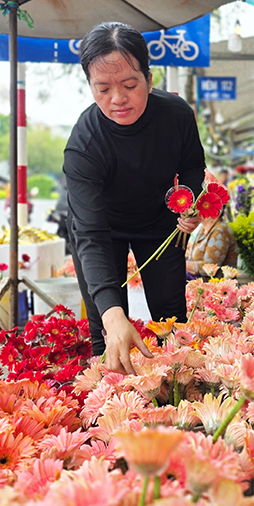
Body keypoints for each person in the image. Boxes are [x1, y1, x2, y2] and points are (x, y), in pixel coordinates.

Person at [64, 22, 205, 375]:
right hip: (101, 230)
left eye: (129, 85)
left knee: (171, 320)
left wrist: (188, 201)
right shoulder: (84, 145)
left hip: (158, 223)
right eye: (103, 88)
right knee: (106, 328)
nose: (118, 99)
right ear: (90, 86)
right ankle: (111, 400)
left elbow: (192, 167)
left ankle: (175, 389)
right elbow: (91, 235)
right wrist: (113, 315)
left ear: (149, 79)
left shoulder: (176, 115)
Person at [185, 206, 238, 279]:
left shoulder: (220, 231)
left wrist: (180, 264)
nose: (194, 209)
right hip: (198, 281)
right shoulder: (203, 228)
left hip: (215, 284)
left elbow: (209, 268)